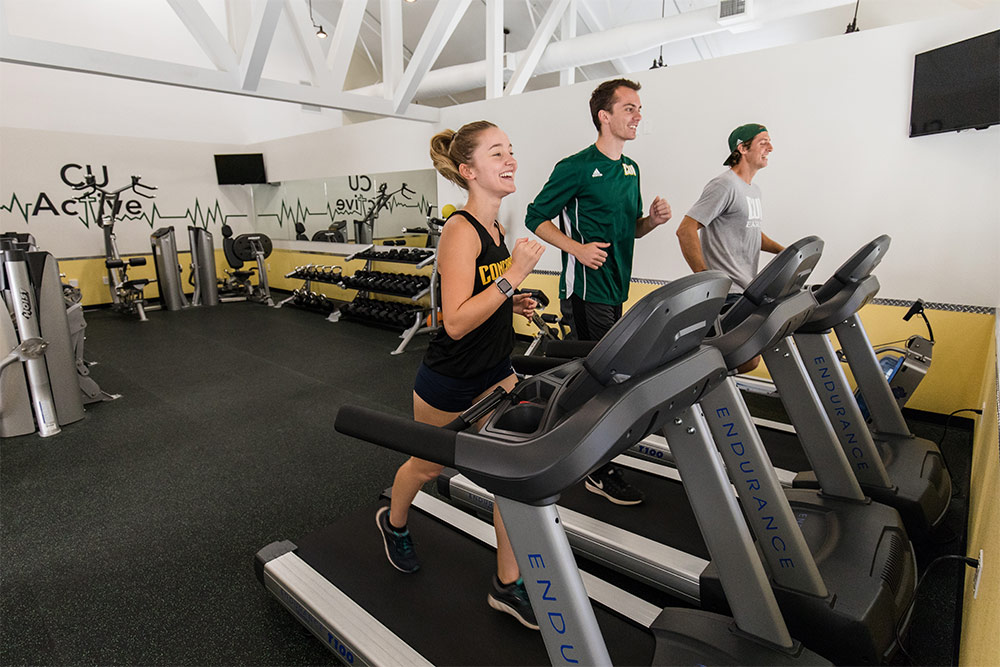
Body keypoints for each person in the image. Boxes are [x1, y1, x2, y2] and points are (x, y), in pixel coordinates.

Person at [376, 120, 546, 630]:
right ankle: (394, 520)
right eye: (498, 153)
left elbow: (482, 297)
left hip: (497, 372)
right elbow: (453, 320)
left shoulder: (497, 229)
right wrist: (514, 275)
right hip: (450, 381)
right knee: (427, 468)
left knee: (511, 476)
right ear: (469, 170)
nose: (510, 159)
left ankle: (507, 585)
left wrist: (516, 300)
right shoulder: (460, 230)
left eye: (511, 150)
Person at [524, 78, 672, 506]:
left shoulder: (631, 168)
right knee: (600, 378)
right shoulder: (574, 166)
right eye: (629, 108)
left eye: (638, 108)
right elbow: (537, 217)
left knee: (606, 374)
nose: (637, 115)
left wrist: (653, 222)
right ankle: (594, 468)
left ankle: (585, 447)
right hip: (585, 290)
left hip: (615, 286)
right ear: (604, 116)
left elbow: (632, 229)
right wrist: (576, 249)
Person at [675, 123, 785, 372]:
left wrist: (784, 251)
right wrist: (706, 278)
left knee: (750, 358)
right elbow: (686, 229)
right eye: (763, 142)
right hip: (728, 291)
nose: (770, 147)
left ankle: (704, 390)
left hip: (747, 290)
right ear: (742, 148)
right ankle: (698, 388)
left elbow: (753, 232)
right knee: (746, 358)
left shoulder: (753, 190)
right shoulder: (724, 185)